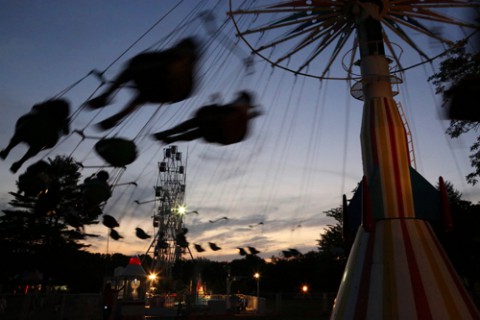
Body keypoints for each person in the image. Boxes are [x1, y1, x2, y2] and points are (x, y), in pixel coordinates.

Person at [152, 91, 261, 145]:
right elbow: (230, 113)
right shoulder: (244, 112)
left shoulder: (240, 105)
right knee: (197, 133)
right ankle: (171, 138)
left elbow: (227, 109)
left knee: (194, 124)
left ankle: (169, 134)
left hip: (217, 125)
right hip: (220, 131)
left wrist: (214, 107)